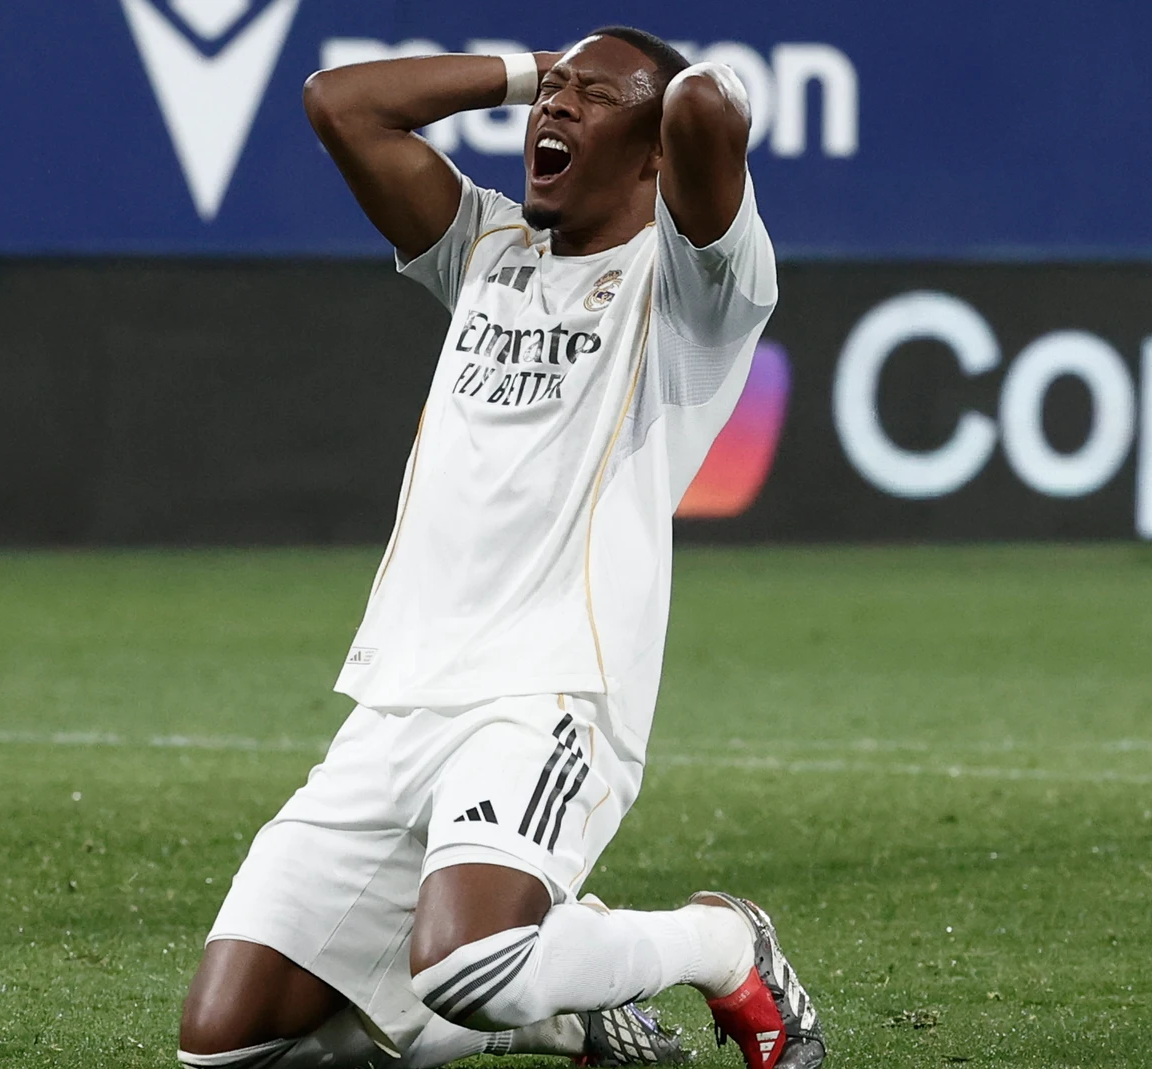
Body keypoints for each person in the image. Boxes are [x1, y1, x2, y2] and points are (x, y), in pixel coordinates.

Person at [175, 25, 826, 1069]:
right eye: (547, 96)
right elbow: (340, 103)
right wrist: (541, 70)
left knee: (465, 962)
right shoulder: (485, 246)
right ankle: (567, 1012)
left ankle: (720, 940)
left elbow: (707, 109)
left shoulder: (696, 292)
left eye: (594, 99)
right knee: (228, 1048)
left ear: (654, 150)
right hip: (401, 692)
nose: (554, 110)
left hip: (552, 685)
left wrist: (683, 88)